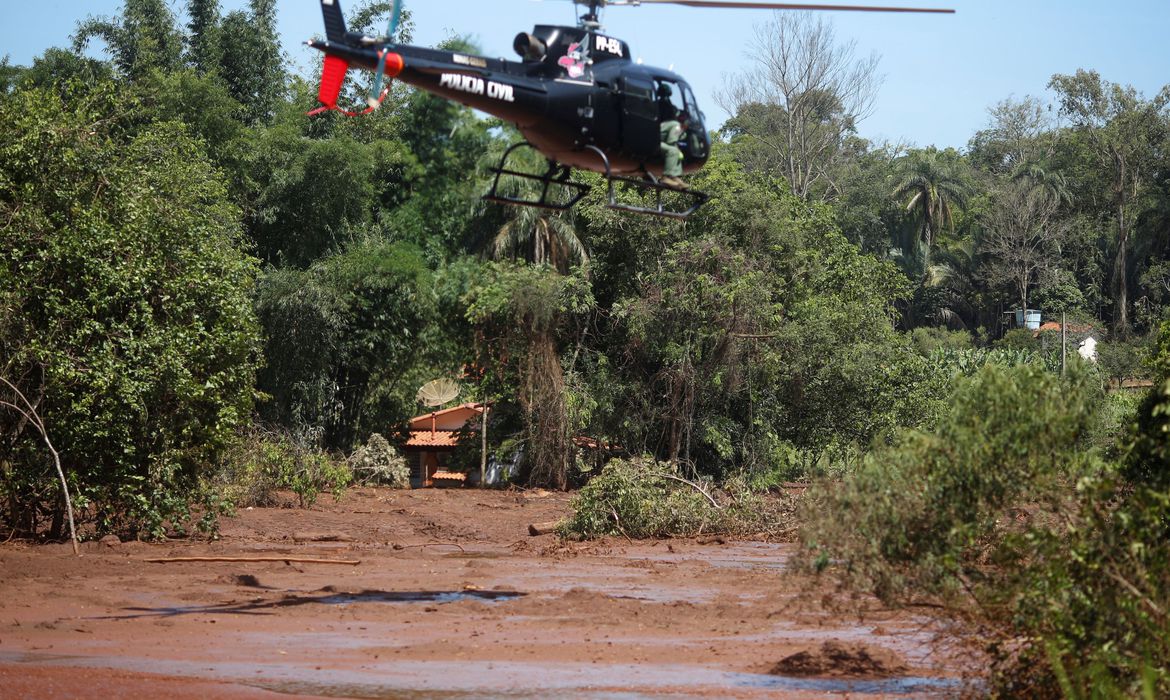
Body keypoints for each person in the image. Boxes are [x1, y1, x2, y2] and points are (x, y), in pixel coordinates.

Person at [659, 109, 689, 189]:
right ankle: (666, 178)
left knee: (677, 154)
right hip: (653, 142)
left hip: (657, 142)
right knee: (673, 151)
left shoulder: (676, 126)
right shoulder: (676, 125)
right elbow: (671, 142)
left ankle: (674, 177)